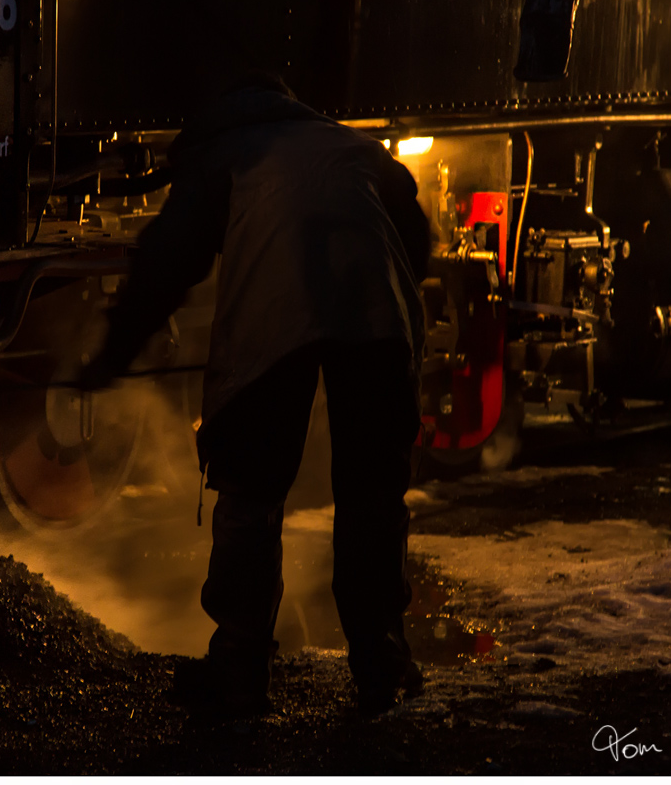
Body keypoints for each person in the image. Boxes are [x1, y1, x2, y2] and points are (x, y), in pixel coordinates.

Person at [76, 69, 430, 716]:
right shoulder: (354, 147)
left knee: (252, 491)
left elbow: (168, 263)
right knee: (372, 496)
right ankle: (381, 658)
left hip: (275, 319)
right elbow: (416, 238)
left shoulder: (224, 153)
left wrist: (111, 355)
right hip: (379, 320)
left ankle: (239, 666)